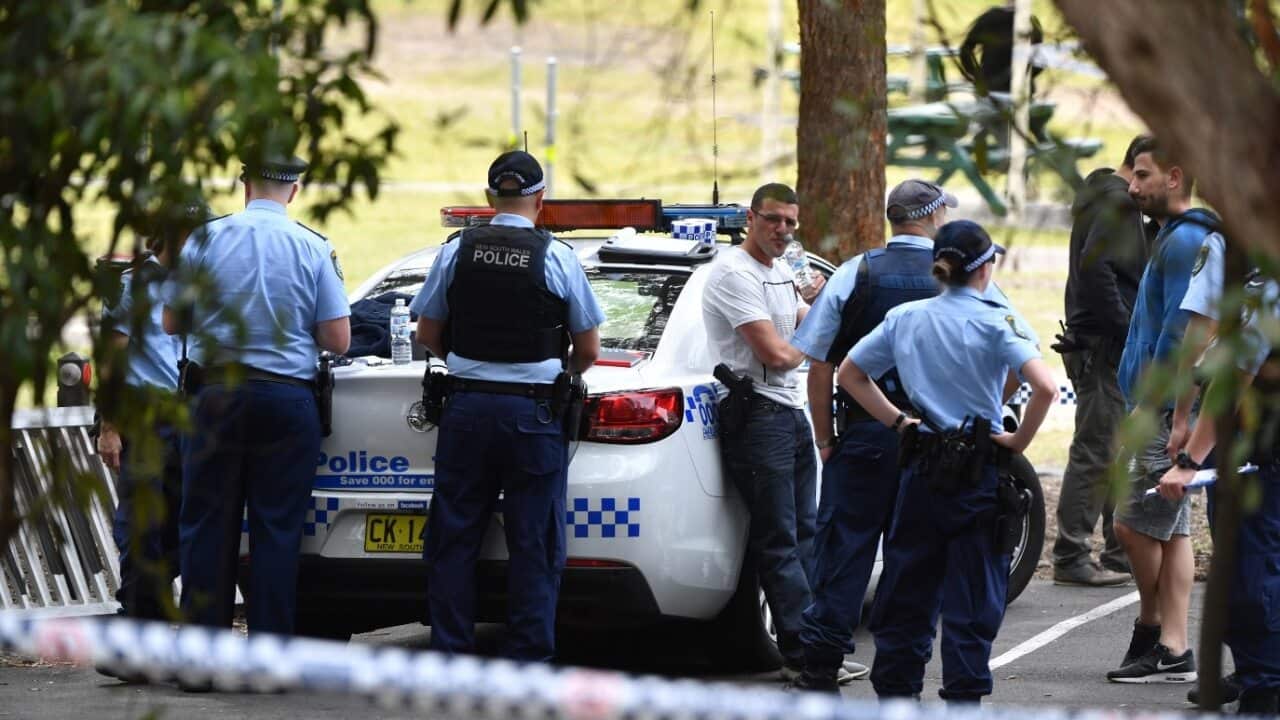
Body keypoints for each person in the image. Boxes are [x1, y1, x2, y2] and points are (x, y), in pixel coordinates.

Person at [790, 179, 1023, 691]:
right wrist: (985, 414)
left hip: (868, 435)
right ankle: (917, 676)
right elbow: (1017, 356)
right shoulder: (971, 277)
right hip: (945, 448)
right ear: (935, 214)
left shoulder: (857, 272)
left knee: (844, 548)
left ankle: (821, 666)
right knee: (917, 567)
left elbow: (822, 364)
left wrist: (827, 439)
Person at [839, 220, 1056, 704]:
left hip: (921, 468)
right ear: (984, 270)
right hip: (977, 474)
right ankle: (962, 702)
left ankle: (896, 700)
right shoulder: (996, 319)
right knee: (972, 599)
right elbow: (1042, 385)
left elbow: (850, 374)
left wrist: (899, 422)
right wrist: (1018, 439)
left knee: (906, 594)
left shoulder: (907, 318)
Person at [411, 150, 604, 661]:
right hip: (533, 416)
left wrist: (470, 358)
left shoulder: (456, 251)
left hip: (467, 410)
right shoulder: (557, 257)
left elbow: (427, 332)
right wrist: (562, 373)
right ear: (541, 200)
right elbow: (588, 351)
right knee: (534, 542)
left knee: (454, 536)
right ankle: (527, 659)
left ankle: (450, 653)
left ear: (490, 197)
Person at [164, 155, 351, 653]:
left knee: (205, 528)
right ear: (294, 190)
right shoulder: (313, 246)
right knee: (277, 532)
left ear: (243, 183)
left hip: (213, 398)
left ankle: (202, 659)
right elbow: (338, 337)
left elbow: (170, 322)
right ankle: (269, 661)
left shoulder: (205, 239)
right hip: (286, 401)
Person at [702, 182, 827, 682]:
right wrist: (810, 334)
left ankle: (816, 645)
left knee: (805, 533)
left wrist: (815, 306)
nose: (782, 231)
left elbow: (806, 328)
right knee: (778, 538)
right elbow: (776, 354)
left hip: (789, 412)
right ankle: (802, 655)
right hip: (757, 415)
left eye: (791, 223)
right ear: (750, 219)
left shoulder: (782, 271)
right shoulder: (732, 272)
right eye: (773, 219)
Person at [1107, 137, 1218, 684]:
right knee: (1171, 529)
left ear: (1174, 178)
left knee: (1130, 524)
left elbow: (1186, 335)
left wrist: (1168, 413)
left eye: (1142, 176)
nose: (1132, 187)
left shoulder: (1186, 242)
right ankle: (1173, 648)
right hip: (1156, 405)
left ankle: (1153, 627)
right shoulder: (1175, 237)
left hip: (1160, 410)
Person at [1155, 276, 1280, 714]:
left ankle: (1265, 686)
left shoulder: (1268, 291)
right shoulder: (1255, 280)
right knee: (1247, 570)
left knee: (1251, 574)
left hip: (1258, 457)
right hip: (1247, 453)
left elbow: (1232, 382)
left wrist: (1188, 461)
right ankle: (1256, 673)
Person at [1053, 135, 1158, 586]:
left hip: (1094, 342)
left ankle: (1119, 550)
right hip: (1104, 346)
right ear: (1137, 166)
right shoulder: (1118, 204)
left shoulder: (1106, 198)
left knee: (1116, 448)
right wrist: (1129, 330)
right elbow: (1098, 274)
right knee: (1096, 448)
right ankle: (1072, 555)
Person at [93, 219, 193, 684]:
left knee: (173, 534)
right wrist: (109, 426)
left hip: (187, 422)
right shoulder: (134, 286)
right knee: (141, 534)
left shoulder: (196, 285)